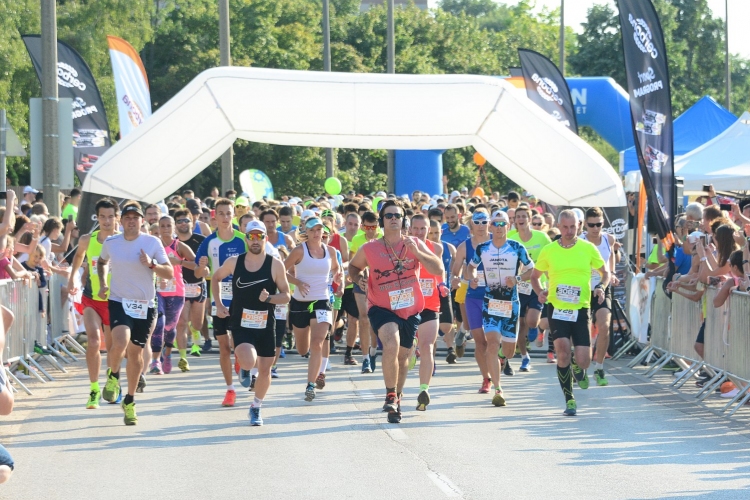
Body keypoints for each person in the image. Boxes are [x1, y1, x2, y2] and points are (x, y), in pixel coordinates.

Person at [349, 200, 444, 423]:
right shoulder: (370, 248)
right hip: (381, 307)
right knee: (390, 342)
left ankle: (397, 397)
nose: (393, 219)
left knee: (403, 358)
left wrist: (419, 254)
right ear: (382, 221)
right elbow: (354, 267)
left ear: (404, 221)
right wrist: (358, 278)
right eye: (389, 215)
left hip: (410, 309)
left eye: (397, 216)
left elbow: (438, 269)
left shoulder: (414, 243)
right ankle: (390, 393)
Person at [97, 202, 173, 425]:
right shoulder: (111, 242)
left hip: (145, 304)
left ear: (142, 221)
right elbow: (102, 262)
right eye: (128, 217)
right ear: (121, 221)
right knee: (120, 341)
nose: (131, 221)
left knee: (136, 354)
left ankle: (129, 400)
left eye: (135, 217)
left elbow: (168, 272)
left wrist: (151, 265)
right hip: (119, 300)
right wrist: (103, 282)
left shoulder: (152, 242)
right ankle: (113, 376)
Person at [531, 210, 609, 417]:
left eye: (573, 227)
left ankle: (577, 364)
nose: (568, 231)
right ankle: (569, 399)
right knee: (563, 351)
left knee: (584, 360)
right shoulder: (549, 250)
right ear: (559, 226)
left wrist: (601, 286)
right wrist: (540, 293)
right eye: (565, 227)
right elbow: (535, 276)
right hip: (557, 308)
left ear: (579, 226)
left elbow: (606, 272)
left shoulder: (588, 248)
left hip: (581, 308)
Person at [212, 221, 290, 425]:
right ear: (245, 238)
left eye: (260, 236)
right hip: (241, 322)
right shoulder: (234, 262)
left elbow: (286, 296)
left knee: (265, 370)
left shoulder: (275, 264)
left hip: (266, 324)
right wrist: (219, 304)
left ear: (266, 238)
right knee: (248, 360)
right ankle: (244, 367)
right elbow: (215, 277)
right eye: (251, 236)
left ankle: (256, 407)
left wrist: (270, 299)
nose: (255, 240)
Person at [468, 211, 534, 406]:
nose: (498, 227)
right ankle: (498, 389)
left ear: (508, 226)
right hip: (490, 303)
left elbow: (532, 270)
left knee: (509, 351)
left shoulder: (516, 247)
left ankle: (503, 360)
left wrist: (518, 278)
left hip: (511, 305)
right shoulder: (482, 248)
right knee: (492, 343)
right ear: (491, 227)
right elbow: (470, 267)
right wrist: (472, 277)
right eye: (495, 224)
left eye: (501, 224)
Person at [67, 198, 120, 409]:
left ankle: (112, 380)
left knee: (114, 348)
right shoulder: (87, 240)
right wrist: (72, 278)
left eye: (110, 217)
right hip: (91, 299)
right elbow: (79, 257)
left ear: (116, 218)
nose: (106, 221)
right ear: (97, 218)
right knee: (94, 341)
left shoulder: (122, 240)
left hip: (115, 301)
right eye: (102, 217)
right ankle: (94, 389)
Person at [194, 198, 248, 407]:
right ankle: (230, 390)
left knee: (239, 344)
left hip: (242, 299)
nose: (225, 217)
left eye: (229, 213)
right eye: (221, 213)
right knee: (224, 347)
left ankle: (241, 362)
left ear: (234, 215)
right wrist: (203, 269)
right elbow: (199, 271)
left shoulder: (243, 240)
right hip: (218, 300)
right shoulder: (209, 242)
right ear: (215, 216)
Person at [284, 217, 341, 402]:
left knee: (317, 343)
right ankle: (304, 352)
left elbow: (336, 270)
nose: (317, 233)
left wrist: (338, 281)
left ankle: (310, 385)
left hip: (322, 301)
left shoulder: (331, 251)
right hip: (300, 302)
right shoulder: (299, 251)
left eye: (319, 230)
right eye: (313, 230)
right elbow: (280, 271)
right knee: (302, 349)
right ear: (306, 232)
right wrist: (297, 282)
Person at [149, 216, 196, 375]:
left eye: (169, 226)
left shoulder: (179, 246)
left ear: (174, 228)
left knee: (170, 328)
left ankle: (167, 354)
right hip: (158, 291)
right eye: (162, 226)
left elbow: (196, 265)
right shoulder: (154, 246)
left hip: (176, 292)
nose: (166, 229)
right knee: (159, 324)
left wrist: (179, 262)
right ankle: (155, 361)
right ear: (159, 229)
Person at [508, 205, 551, 372]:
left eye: (524, 216)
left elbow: (550, 257)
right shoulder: (510, 237)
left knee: (531, 321)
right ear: (514, 220)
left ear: (530, 219)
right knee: (519, 326)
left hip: (537, 283)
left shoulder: (542, 238)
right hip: (518, 286)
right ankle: (525, 357)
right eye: (518, 216)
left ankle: (536, 327)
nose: (520, 219)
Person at [580, 207, 619, 386]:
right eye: (592, 225)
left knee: (604, 327)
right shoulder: (579, 241)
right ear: (585, 225)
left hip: (602, 287)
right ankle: (580, 366)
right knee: (584, 332)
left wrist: (612, 274)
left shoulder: (608, 239)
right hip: (582, 290)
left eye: (599, 224)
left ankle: (599, 367)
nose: (595, 228)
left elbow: (610, 259)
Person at [409, 214, 445, 410]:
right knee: (405, 349)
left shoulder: (436, 248)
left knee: (428, 347)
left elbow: (440, 270)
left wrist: (442, 285)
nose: (420, 232)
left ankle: (424, 390)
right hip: (408, 304)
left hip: (430, 303)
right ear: (410, 229)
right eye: (416, 228)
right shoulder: (403, 247)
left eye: (423, 229)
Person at [457, 209, 494, 391]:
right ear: (471, 224)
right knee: (480, 341)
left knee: (494, 340)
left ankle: (499, 361)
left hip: (496, 297)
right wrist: (459, 278)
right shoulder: (465, 246)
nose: (480, 226)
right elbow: (454, 271)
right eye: (477, 222)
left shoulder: (498, 241)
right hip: (473, 298)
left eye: (484, 222)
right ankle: (486, 379)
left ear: (489, 223)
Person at [173, 209, 207, 366]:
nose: (183, 223)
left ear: (192, 222)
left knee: (198, 323)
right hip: (180, 286)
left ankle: (194, 332)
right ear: (175, 225)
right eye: (179, 221)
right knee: (181, 322)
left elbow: (203, 264)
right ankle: (183, 357)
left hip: (199, 284)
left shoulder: (201, 240)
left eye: (186, 220)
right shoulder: (173, 243)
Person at [349, 211, 381, 372]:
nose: (370, 230)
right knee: (363, 318)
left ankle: (373, 350)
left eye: (373, 227)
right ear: (362, 227)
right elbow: (352, 263)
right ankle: (365, 359)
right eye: (367, 227)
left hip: (379, 282)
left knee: (374, 319)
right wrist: (358, 278)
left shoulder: (383, 237)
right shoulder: (357, 240)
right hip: (361, 281)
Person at [427, 219, 457, 363]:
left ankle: (451, 348)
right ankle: (430, 356)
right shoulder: (423, 247)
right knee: (430, 325)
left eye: (437, 232)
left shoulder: (450, 248)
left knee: (447, 324)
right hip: (428, 291)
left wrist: (456, 278)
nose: (434, 236)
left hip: (445, 289)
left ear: (442, 232)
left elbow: (457, 266)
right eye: (431, 233)